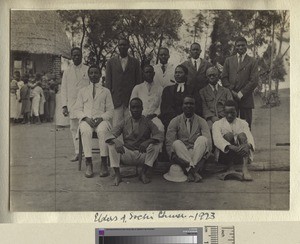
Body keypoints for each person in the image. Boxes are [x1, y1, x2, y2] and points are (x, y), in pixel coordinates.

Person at [105, 98, 164, 186]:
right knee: (112, 145)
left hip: (142, 155)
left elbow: (160, 135)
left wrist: (148, 141)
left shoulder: (148, 122)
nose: (135, 110)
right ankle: (118, 175)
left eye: (138, 107)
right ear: (130, 109)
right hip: (127, 154)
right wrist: (116, 141)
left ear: (142, 108)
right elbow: (109, 134)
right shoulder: (125, 121)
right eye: (133, 107)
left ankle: (143, 173)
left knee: (156, 145)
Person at [74, 65, 114, 178]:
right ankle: (88, 162)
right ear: (88, 75)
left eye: (96, 73)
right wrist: (85, 118)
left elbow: (111, 110)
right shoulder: (82, 91)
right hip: (87, 120)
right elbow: (77, 109)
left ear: (100, 75)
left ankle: (104, 162)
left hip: (101, 120)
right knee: (85, 131)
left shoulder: (106, 91)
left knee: (103, 131)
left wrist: (101, 118)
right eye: (91, 73)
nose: (93, 75)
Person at [165, 96, 212, 182]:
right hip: (182, 154)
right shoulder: (175, 121)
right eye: (186, 103)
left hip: (196, 154)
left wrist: (204, 160)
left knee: (203, 139)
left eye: (191, 104)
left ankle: (190, 171)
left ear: (195, 106)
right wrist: (175, 158)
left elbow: (208, 143)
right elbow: (169, 143)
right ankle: (194, 172)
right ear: (182, 106)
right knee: (176, 143)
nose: (189, 106)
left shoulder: (201, 121)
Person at [221, 36, 259, 129]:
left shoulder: (252, 61)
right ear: (235, 47)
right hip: (231, 98)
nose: (240, 47)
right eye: (238, 45)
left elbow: (254, 81)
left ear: (246, 46)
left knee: (245, 127)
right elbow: (224, 78)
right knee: (230, 126)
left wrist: (241, 94)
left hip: (246, 99)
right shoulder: (228, 60)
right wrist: (232, 92)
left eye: (243, 45)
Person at [212, 100, 254, 181]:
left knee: (242, 135)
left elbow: (249, 137)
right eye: (227, 113)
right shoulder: (217, 124)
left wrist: (246, 145)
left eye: (232, 113)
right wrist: (231, 147)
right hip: (224, 156)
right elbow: (217, 140)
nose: (229, 115)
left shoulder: (243, 123)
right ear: (224, 112)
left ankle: (245, 168)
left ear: (237, 111)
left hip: (240, 155)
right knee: (229, 135)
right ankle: (230, 167)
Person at [61, 47, 90, 161]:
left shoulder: (87, 69)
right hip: (72, 104)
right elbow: (64, 89)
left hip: (85, 104)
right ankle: (78, 152)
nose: (76, 57)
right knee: (74, 128)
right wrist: (64, 105)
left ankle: (87, 152)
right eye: (74, 55)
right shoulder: (67, 71)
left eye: (78, 55)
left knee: (85, 128)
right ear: (71, 57)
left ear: (82, 56)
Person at [105, 37, 142, 126]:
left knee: (131, 124)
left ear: (128, 46)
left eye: (124, 45)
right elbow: (108, 83)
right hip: (116, 99)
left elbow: (139, 81)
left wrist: (136, 98)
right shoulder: (110, 62)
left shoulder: (135, 62)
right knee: (117, 125)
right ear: (117, 47)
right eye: (120, 45)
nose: (122, 47)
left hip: (130, 99)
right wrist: (109, 99)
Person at [160, 64, 198, 130]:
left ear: (186, 75)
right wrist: (175, 119)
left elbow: (196, 106)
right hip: (171, 121)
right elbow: (165, 108)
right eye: (176, 72)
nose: (177, 74)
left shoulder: (192, 90)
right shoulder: (167, 90)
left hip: (188, 120)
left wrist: (185, 118)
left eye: (180, 72)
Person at [130, 64, 164, 132]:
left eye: (150, 72)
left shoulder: (160, 89)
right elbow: (131, 105)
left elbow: (161, 106)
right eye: (146, 72)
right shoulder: (137, 88)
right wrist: (138, 115)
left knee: (160, 127)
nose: (148, 74)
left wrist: (154, 114)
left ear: (154, 74)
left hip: (154, 117)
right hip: (139, 117)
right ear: (143, 74)